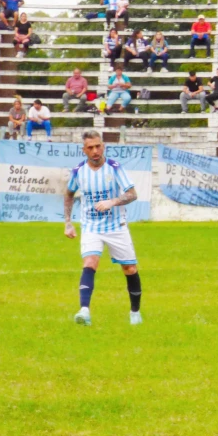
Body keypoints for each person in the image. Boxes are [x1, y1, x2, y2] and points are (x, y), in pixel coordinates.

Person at [64, 129, 142, 326]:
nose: (95, 151)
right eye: (90, 148)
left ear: (103, 146)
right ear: (84, 150)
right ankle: (84, 310)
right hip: (91, 226)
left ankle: (135, 312)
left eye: (98, 146)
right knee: (90, 262)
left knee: (130, 268)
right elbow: (69, 193)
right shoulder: (78, 172)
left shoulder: (114, 168)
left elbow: (132, 194)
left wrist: (113, 201)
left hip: (116, 226)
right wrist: (68, 222)